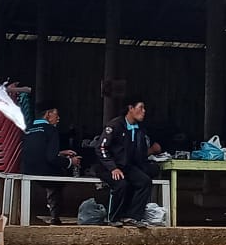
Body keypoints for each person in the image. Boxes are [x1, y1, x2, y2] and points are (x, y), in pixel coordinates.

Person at [95, 97, 159, 226]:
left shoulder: (139, 129)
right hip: (108, 167)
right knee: (121, 184)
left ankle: (132, 216)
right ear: (130, 108)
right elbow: (100, 147)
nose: (144, 111)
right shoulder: (115, 125)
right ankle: (113, 217)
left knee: (144, 181)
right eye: (141, 107)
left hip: (126, 167)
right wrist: (112, 167)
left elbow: (139, 153)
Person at [22, 101, 80, 225]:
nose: (58, 118)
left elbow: (39, 151)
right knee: (59, 176)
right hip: (44, 171)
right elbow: (51, 159)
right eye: (56, 115)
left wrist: (61, 152)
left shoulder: (28, 128)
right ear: (48, 115)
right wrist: (70, 161)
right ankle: (55, 216)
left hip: (27, 169)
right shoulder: (51, 130)